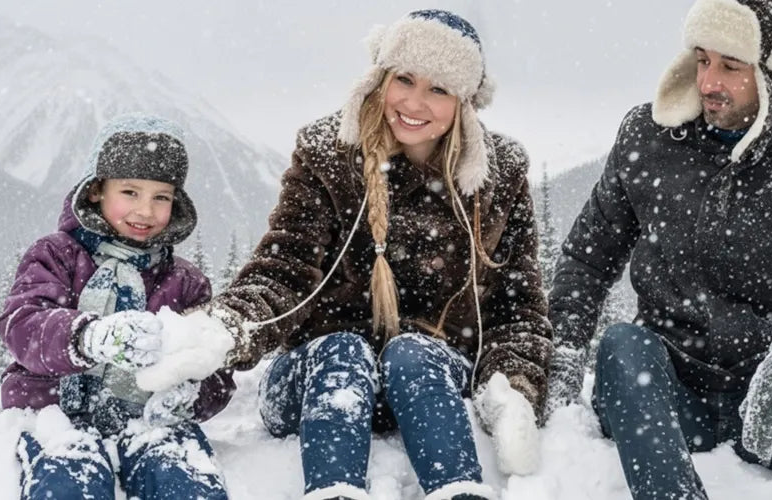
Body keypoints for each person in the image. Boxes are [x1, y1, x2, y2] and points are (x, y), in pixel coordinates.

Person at [133, 10, 551, 500]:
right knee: (343, 350)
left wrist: (513, 390)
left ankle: (460, 491)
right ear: (381, 77)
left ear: (465, 101)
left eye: (438, 89)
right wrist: (226, 328)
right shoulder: (329, 154)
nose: (414, 103)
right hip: (313, 379)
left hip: (426, 384)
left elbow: (519, 304)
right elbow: (284, 269)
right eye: (404, 79)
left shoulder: (498, 176)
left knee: (415, 352)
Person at [545, 0, 772, 499]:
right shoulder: (648, 137)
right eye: (703, 60)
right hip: (671, 400)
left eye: (731, 66)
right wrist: (564, 354)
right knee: (622, 345)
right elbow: (587, 259)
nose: (708, 82)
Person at [0, 114, 234, 499]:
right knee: (68, 484)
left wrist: (191, 392)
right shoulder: (57, 255)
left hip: (149, 421)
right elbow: (23, 325)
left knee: (185, 482)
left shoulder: (185, 283)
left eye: (161, 197)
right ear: (96, 192)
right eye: (130, 193)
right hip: (55, 412)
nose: (145, 211)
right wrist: (87, 337)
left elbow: (214, 365)